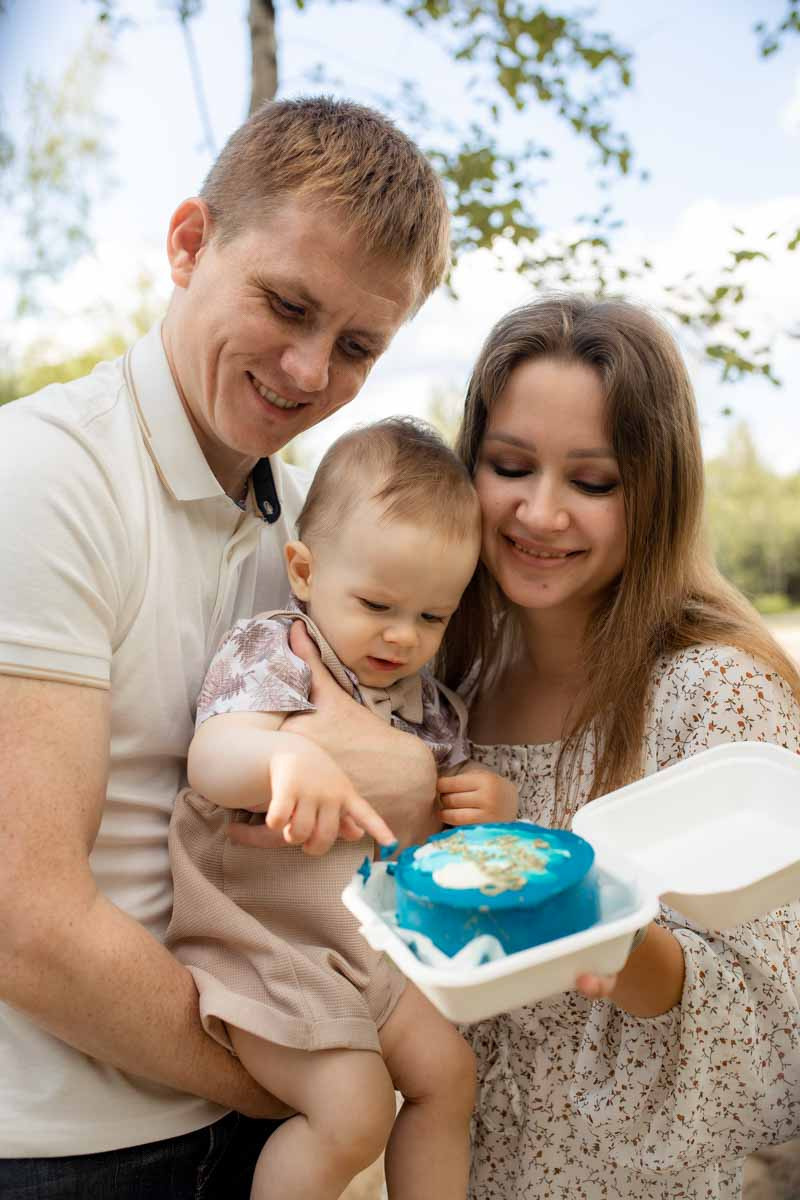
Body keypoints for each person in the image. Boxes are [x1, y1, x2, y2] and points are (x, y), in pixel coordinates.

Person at [0, 97, 452, 1198]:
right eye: (285, 305)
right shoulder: (45, 480)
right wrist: (303, 1085)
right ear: (189, 243)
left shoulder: (309, 528)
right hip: (74, 1150)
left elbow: (393, 773)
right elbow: (26, 921)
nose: (306, 372)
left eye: (356, 346)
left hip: (256, 1109)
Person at [433, 294, 800, 1199]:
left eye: (592, 482)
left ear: (655, 489)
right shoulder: (450, 689)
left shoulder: (717, 694)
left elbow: (777, 1067)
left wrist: (610, 940)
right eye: (508, 465)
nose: (539, 512)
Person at [166, 418, 517, 1200]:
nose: (401, 636)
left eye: (432, 617)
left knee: (449, 1075)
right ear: (302, 569)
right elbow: (212, 759)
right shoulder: (277, 652)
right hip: (267, 942)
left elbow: (448, 822)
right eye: (377, 603)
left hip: (369, 944)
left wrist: (488, 803)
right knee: (353, 1112)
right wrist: (283, 754)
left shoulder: (429, 707)